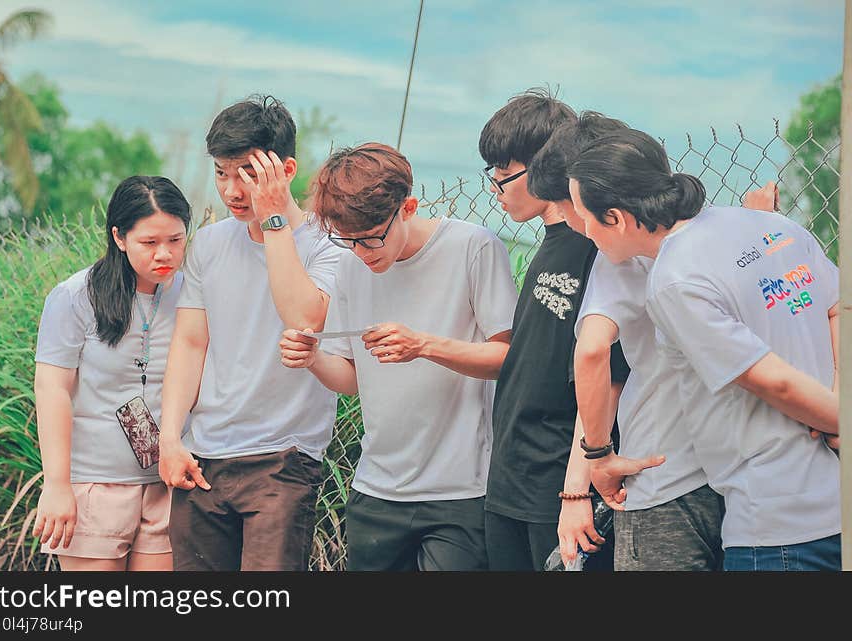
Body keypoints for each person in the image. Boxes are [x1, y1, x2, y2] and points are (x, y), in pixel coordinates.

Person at [568, 127, 840, 571]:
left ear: (615, 217)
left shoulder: (674, 280)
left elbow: (774, 383)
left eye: (584, 217)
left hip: (776, 521)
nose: (583, 230)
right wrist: (836, 403)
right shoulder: (768, 225)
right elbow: (838, 308)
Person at [279, 142, 517, 570]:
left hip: (460, 491)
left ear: (408, 207)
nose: (363, 252)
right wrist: (312, 357)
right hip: (376, 489)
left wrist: (423, 345)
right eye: (348, 241)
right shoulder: (351, 263)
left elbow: (509, 359)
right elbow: (352, 379)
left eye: (372, 239)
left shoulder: (473, 248)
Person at [158, 95, 342, 571]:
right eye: (222, 172)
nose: (233, 189)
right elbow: (191, 342)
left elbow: (305, 318)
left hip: (284, 459)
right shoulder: (210, 242)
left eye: (247, 172)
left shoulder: (329, 244)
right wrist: (170, 437)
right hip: (204, 456)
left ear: (285, 169)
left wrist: (274, 219)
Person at [478, 91, 629, 571]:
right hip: (508, 479)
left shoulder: (596, 246)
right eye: (493, 174)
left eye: (506, 173)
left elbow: (606, 375)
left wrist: (576, 490)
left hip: (562, 488)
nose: (496, 188)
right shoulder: (548, 246)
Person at [32, 175, 191, 571]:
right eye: (150, 243)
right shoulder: (75, 297)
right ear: (119, 237)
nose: (165, 255)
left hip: (167, 485)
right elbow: (52, 388)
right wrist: (56, 485)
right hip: (93, 486)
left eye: (175, 240)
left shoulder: (192, 293)